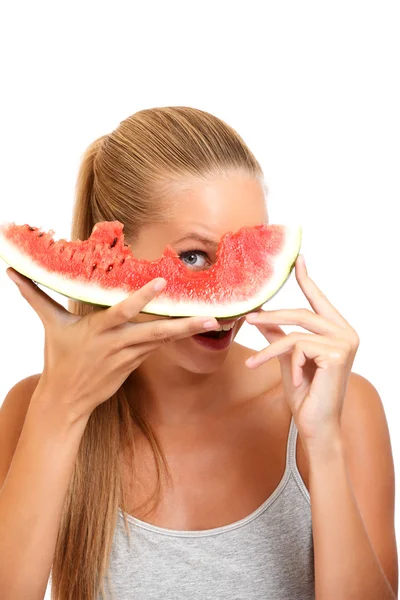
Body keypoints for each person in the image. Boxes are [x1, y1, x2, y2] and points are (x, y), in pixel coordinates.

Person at [0, 106, 397, 600]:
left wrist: (324, 442)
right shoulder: (32, 408)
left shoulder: (339, 405)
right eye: (194, 256)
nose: (233, 302)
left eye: (244, 255)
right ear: (115, 253)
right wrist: (60, 411)